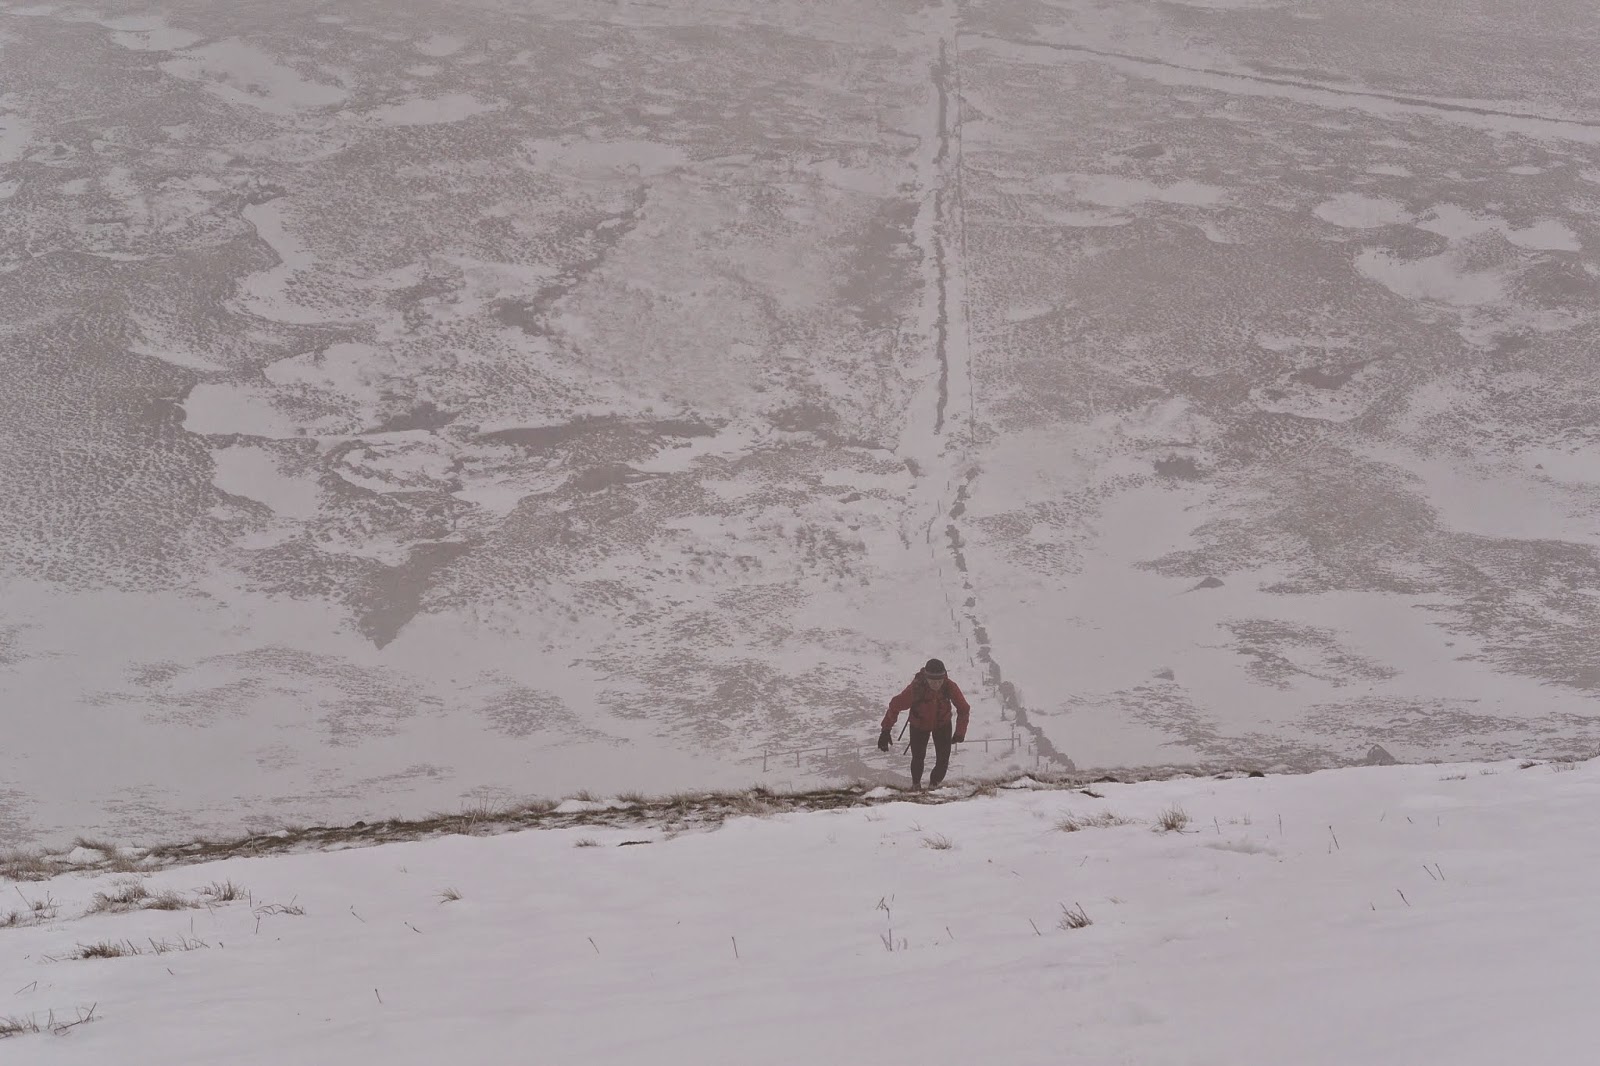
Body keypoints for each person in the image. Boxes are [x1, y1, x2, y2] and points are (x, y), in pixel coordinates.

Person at [877, 658, 970, 790]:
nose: (937, 685)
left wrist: (960, 732)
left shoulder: (949, 686)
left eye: (940, 681)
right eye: (933, 681)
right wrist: (885, 730)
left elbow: (964, 708)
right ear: (926, 678)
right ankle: (916, 785)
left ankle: (933, 785)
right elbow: (895, 705)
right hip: (918, 725)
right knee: (918, 757)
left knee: (943, 759)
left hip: (942, 724)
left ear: (944, 677)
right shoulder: (916, 688)